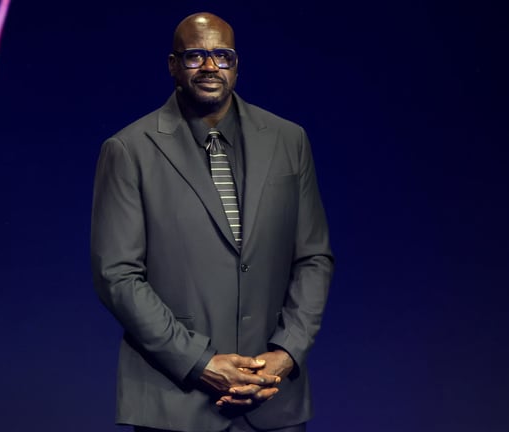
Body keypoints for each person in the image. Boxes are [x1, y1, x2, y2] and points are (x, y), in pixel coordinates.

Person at [90, 12, 334, 432]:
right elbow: (117, 276)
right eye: (195, 56)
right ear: (173, 65)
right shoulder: (129, 150)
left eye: (222, 55)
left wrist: (285, 354)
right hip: (174, 402)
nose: (209, 66)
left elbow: (314, 258)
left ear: (236, 65)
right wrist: (199, 362)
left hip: (273, 399)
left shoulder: (289, 139)